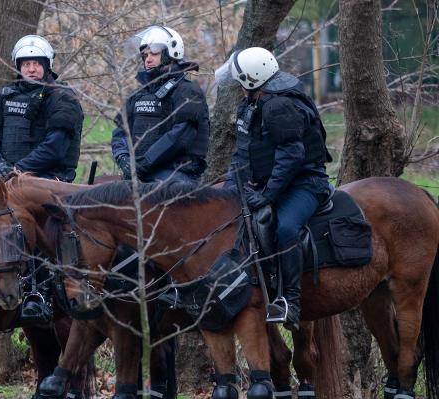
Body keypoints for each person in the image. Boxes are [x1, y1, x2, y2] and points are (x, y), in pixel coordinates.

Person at [226, 47, 332, 328]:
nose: (237, 85)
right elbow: (242, 152)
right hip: (273, 182)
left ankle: (290, 301)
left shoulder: (278, 106)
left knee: (285, 227)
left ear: (252, 79)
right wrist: (228, 188)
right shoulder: (250, 105)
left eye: (240, 80)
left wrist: (266, 195)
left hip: (306, 183)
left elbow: (292, 155)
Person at [110, 26, 209, 184]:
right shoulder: (138, 95)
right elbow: (121, 132)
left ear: (172, 54)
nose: (147, 59)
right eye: (145, 55)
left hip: (177, 174)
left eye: (154, 53)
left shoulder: (188, 91)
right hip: (140, 174)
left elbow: (181, 137)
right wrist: (123, 159)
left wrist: (142, 165)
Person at [0, 34, 83, 183]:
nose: (31, 69)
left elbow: (55, 147)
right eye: (26, 64)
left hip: (48, 179)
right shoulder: (5, 95)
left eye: (37, 64)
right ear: (19, 67)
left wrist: (18, 170)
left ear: (47, 65)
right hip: (5, 178)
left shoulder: (63, 98)